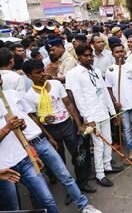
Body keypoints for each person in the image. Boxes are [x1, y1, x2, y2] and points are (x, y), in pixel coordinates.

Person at [0, 87, 81, 213]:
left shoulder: (8, 96)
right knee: (13, 210)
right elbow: (8, 130)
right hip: (3, 169)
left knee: (47, 198)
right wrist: (6, 128)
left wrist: (31, 152)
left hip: (24, 159)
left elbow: (17, 133)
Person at [22, 60, 96, 193]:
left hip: (68, 124)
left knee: (78, 154)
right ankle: (70, 190)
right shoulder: (28, 96)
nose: (42, 74)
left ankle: (82, 182)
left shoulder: (56, 84)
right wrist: (48, 135)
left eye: (42, 71)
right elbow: (34, 118)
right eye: (37, 73)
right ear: (29, 76)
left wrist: (78, 124)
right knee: (60, 161)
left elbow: (68, 104)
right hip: (50, 130)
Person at [66, 44, 123, 187]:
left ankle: (107, 165)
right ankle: (100, 174)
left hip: (103, 111)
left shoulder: (96, 70)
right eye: (85, 55)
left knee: (108, 140)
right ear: (78, 57)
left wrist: (113, 113)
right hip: (92, 116)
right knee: (98, 145)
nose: (89, 58)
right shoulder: (74, 74)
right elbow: (78, 98)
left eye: (90, 55)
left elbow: (104, 92)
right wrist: (88, 119)